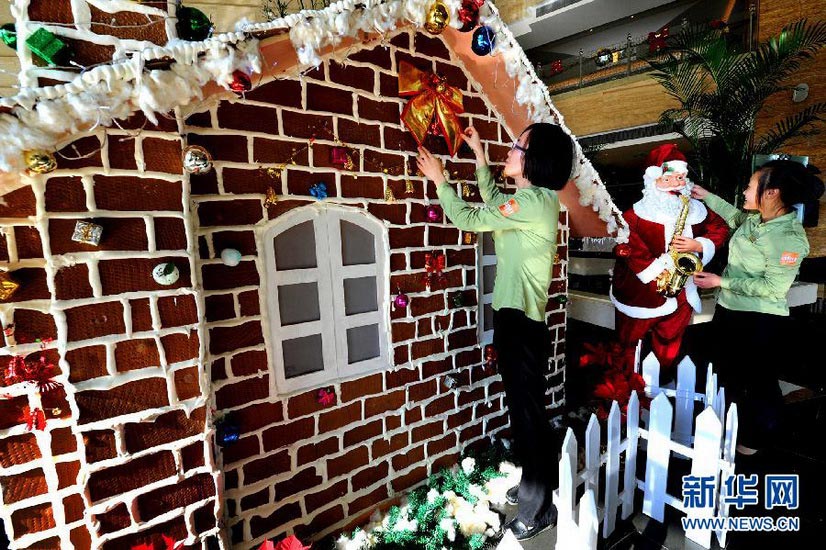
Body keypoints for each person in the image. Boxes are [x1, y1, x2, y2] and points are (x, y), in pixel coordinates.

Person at [416, 123, 573, 541]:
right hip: (513, 319)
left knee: (528, 417)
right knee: (522, 413)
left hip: (521, 324)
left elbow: (467, 216)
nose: (512, 149)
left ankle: (538, 507)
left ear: (534, 161)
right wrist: (481, 158)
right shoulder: (528, 201)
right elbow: (497, 202)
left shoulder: (536, 201)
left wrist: (440, 182)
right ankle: (532, 489)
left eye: (518, 146)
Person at [693, 160, 824, 455]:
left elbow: (773, 288)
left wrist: (720, 281)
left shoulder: (788, 238)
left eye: (751, 186)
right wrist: (706, 196)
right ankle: (730, 429)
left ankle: (759, 441)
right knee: (729, 375)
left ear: (771, 192)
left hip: (759, 319)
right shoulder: (756, 219)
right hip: (730, 310)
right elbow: (734, 216)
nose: (745, 190)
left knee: (759, 381)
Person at [610, 144, 729, 378]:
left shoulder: (695, 209)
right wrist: (659, 267)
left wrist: (699, 245)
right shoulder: (633, 215)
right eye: (669, 179)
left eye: (681, 178)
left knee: (669, 350)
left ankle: (658, 391)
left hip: (682, 292)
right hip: (640, 293)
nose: (677, 184)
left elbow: (720, 227)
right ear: (653, 180)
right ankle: (624, 397)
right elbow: (626, 246)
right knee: (629, 348)